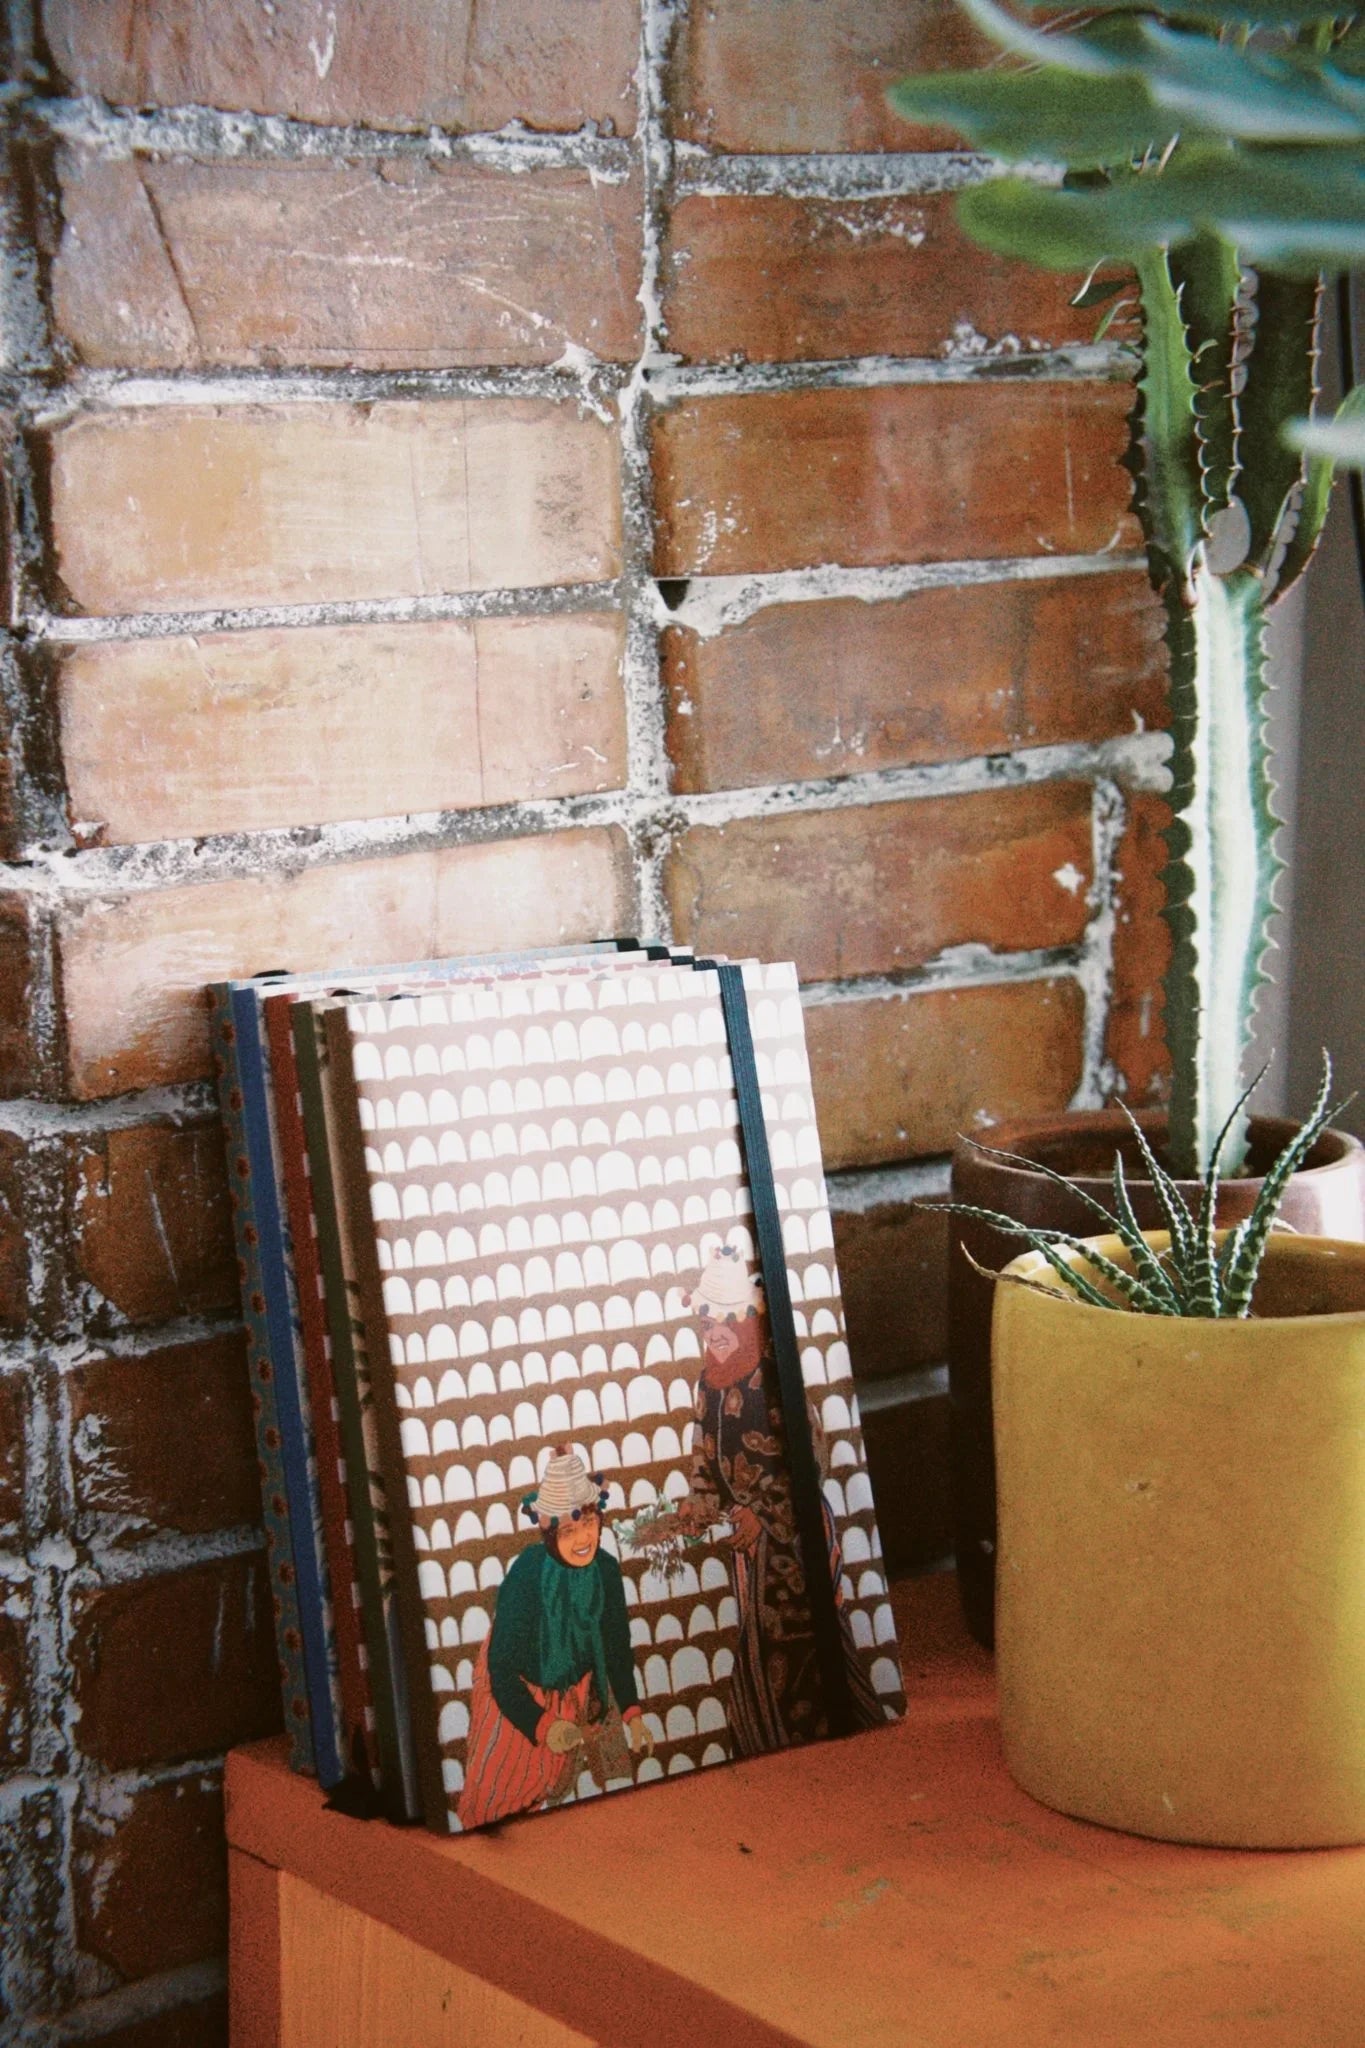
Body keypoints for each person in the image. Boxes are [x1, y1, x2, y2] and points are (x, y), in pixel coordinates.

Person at [681, 1246, 881, 1755]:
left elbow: (806, 1457)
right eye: (707, 1327)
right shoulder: (707, 1385)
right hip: (751, 1547)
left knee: (797, 1635)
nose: (716, 1336)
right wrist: (698, 1504)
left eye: (726, 1324)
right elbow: (706, 1456)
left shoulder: (771, 1375)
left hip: (792, 1533)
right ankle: (767, 1738)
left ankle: (826, 1725)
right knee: (760, 1634)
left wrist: (761, 1511)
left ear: (748, 1323)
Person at [457, 1448, 653, 1830]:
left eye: (589, 1524)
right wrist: (541, 1724)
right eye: (568, 1530)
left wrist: (632, 1712)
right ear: (549, 1534)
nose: (583, 1539)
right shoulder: (527, 1575)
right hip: (513, 1688)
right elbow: (502, 1667)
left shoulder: (607, 1571)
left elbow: (615, 1646)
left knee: (544, 1794)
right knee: (494, 1799)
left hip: (569, 1687)